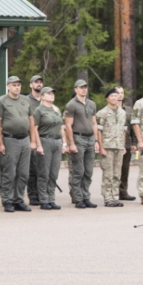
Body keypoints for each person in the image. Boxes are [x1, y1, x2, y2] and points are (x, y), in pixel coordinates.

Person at [0, 76, 34, 212]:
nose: (17, 87)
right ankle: (7, 200)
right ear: (8, 86)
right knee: (9, 172)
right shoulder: (2, 101)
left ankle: (18, 199)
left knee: (23, 173)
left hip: (25, 139)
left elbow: (31, 121)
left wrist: (33, 140)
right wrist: (0, 143)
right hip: (10, 139)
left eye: (19, 85)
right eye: (14, 85)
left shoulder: (25, 100)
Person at [63, 79, 100, 208]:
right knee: (78, 170)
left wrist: (96, 140)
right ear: (76, 89)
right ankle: (77, 198)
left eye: (85, 87)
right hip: (78, 138)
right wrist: (71, 143)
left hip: (90, 139)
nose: (84, 89)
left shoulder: (91, 104)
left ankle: (86, 196)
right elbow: (68, 125)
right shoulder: (71, 105)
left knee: (88, 170)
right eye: (81, 87)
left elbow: (94, 123)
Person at [30, 85, 63, 209]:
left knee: (54, 173)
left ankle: (51, 199)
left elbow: (61, 127)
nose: (52, 95)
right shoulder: (39, 110)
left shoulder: (56, 109)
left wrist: (63, 142)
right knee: (44, 173)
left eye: (53, 93)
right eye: (49, 94)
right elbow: (34, 129)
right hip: (45, 140)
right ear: (42, 96)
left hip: (57, 141)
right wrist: (38, 145)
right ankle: (43, 200)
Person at [93, 87, 126, 207]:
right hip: (107, 146)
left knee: (117, 174)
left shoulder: (122, 112)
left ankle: (115, 197)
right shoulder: (102, 113)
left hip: (118, 146)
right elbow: (98, 131)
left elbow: (123, 130)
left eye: (116, 95)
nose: (114, 98)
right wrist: (100, 147)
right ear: (107, 98)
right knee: (108, 174)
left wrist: (123, 145)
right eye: (111, 96)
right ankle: (108, 198)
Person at [27, 75, 45, 204]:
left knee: (44, 168)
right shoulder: (26, 100)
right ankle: (33, 195)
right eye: (36, 82)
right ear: (31, 85)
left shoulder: (46, 100)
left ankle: (43, 193)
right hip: (31, 137)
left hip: (45, 137)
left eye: (40, 82)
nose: (39, 84)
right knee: (32, 168)